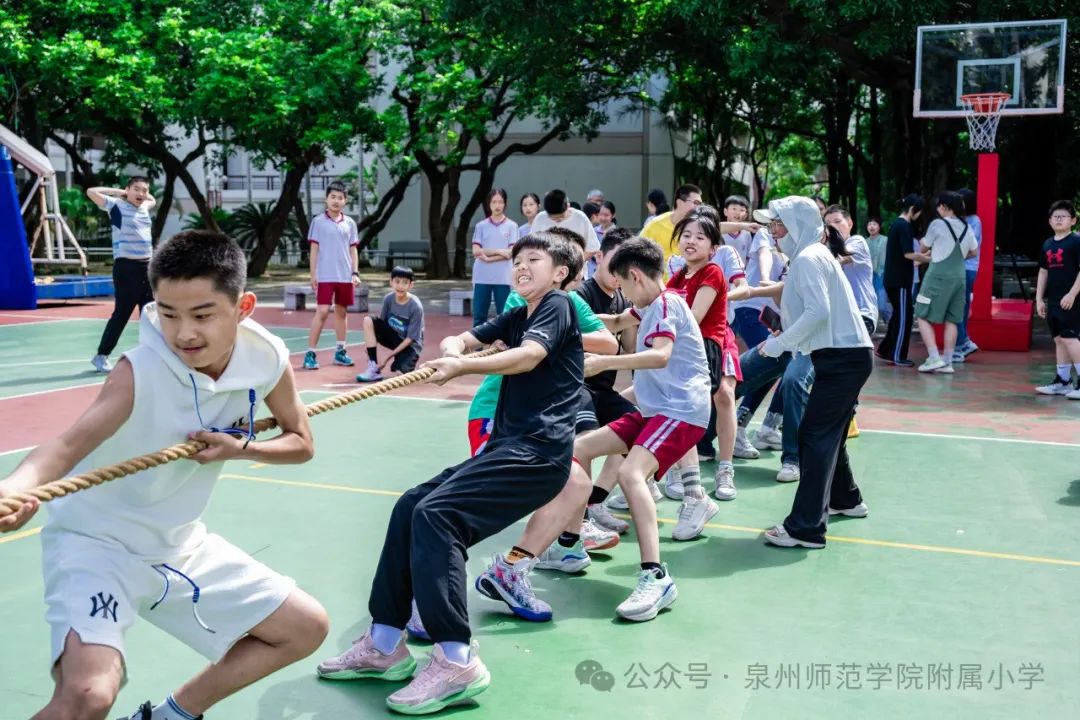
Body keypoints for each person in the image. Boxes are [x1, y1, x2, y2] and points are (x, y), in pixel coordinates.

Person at [0, 231, 328, 720]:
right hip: (97, 545)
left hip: (181, 547)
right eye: (167, 313)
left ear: (243, 306)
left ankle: (171, 715)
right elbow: (68, 445)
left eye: (202, 315)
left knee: (306, 627)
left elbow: (301, 443)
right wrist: (12, 489)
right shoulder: (140, 370)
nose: (183, 333)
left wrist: (242, 450)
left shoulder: (267, 359)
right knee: (88, 696)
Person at [316, 231, 583, 713]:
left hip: (538, 454)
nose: (521, 267)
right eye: (517, 260)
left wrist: (460, 370)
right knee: (411, 505)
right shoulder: (520, 312)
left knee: (438, 516)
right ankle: (384, 643)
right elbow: (469, 334)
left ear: (560, 272)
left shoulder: (558, 306)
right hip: (509, 447)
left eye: (534, 260)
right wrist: (456, 345)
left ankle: (456, 658)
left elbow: (528, 358)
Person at [575, 237, 712, 618]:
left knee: (633, 472)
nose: (621, 295)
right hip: (656, 410)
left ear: (635, 276)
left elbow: (660, 354)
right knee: (582, 447)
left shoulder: (667, 304)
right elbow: (615, 321)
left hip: (680, 412)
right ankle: (570, 540)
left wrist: (604, 364)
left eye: (622, 286)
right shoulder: (646, 305)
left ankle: (655, 576)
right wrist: (565, 317)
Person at [756, 197, 874, 549]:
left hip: (842, 359)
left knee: (814, 436)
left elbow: (817, 313)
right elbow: (816, 312)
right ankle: (846, 499)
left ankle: (805, 528)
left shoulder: (808, 257)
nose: (773, 231)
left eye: (778, 223)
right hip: (844, 356)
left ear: (796, 224)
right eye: (771, 224)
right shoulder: (812, 254)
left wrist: (778, 345)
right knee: (828, 433)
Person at [664, 209, 742, 503]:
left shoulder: (717, 268)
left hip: (717, 340)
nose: (692, 240)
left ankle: (725, 468)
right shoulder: (678, 275)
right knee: (678, 404)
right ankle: (676, 467)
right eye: (686, 235)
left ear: (713, 244)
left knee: (723, 394)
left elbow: (693, 318)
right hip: (689, 346)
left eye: (700, 236)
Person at [87, 177, 156, 374]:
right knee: (122, 314)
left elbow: (153, 199)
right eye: (136, 189)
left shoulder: (144, 207)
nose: (141, 194)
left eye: (144, 190)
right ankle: (101, 356)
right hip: (127, 267)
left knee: (149, 313)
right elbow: (91, 191)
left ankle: (150, 355)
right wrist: (120, 193)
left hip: (147, 267)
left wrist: (139, 193)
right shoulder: (116, 205)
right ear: (127, 190)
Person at [914, 192, 978, 374]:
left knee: (921, 312)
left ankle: (934, 357)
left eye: (938, 206)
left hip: (937, 276)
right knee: (953, 319)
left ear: (944, 206)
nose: (937, 209)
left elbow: (924, 246)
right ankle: (948, 362)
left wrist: (933, 249)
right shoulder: (967, 227)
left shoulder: (937, 224)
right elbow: (974, 252)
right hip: (959, 277)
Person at [303, 181, 360, 370]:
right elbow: (314, 250)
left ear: (345, 200)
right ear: (326, 199)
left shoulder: (350, 223)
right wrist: (313, 275)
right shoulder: (318, 222)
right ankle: (310, 353)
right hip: (325, 276)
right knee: (322, 312)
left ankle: (340, 352)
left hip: (344, 276)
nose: (336, 201)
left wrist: (355, 272)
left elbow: (353, 250)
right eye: (333, 197)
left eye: (340, 197)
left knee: (341, 313)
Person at [1034, 200, 1080, 398]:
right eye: (1055, 216)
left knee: (1071, 339)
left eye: (1063, 216)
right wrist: (1038, 299)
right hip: (1053, 300)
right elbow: (1043, 272)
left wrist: (1072, 293)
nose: (1059, 219)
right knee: (1059, 340)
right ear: (1050, 221)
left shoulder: (1077, 241)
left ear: (1073, 221)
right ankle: (1063, 381)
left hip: (1072, 299)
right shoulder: (1047, 244)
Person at [876, 194, 928, 367]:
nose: (919, 216)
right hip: (900, 281)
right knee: (905, 318)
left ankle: (885, 349)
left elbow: (906, 256)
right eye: (919, 212)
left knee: (898, 316)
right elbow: (908, 254)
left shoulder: (896, 225)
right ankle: (898, 355)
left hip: (894, 280)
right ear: (913, 209)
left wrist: (924, 257)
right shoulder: (904, 226)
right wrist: (931, 259)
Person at [356, 266, 425, 382]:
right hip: (395, 338)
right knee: (368, 320)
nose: (400, 286)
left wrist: (388, 357)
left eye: (405, 283)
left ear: (411, 285)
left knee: (399, 376)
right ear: (391, 282)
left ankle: (406, 364)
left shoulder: (415, 306)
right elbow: (380, 325)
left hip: (410, 346)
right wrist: (369, 350)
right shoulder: (388, 299)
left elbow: (410, 339)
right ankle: (373, 367)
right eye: (397, 282)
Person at [471, 188, 517, 326]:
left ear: (505, 204)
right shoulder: (481, 226)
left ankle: (502, 346)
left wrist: (489, 258)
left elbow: (510, 253)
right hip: (482, 276)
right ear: (488, 204)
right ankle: (476, 347)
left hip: (503, 277)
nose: (497, 205)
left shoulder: (512, 226)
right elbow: (476, 250)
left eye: (500, 202)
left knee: (503, 316)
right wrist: (499, 251)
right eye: (494, 202)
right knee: (479, 316)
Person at [638, 184, 702, 274]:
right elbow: (637, 252)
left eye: (700, 204)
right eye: (695, 203)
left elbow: (716, 227)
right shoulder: (656, 225)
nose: (698, 208)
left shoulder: (698, 225)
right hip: (660, 284)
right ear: (680, 203)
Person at [953, 188, 982, 362]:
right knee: (960, 307)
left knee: (958, 307)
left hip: (967, 268)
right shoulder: (957, 220)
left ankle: (963, 342)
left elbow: (969, 246)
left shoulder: (974, 221)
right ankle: (961, 345)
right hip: (957, 268)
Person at [530, 189, 600, 252]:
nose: (557, 220)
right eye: (553, 218)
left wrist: (575, 263)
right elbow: (531, 246)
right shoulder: (540, 218)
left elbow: (593, 248)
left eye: (561, 217)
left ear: (568, 206)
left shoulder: (580, 218)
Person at [866, 217, 889, 325]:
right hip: (869, 276)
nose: (871, 226)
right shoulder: (864, 242)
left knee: (882, 305)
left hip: (882, 275)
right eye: (869, 224)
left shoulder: (886, 240)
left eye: (874, 224)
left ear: (879, 227)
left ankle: (892, 320)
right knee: (870, 304)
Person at [721, 195, 753, 263]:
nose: (738, 213)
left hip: (740, 272)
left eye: (742, 210)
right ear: (725, 211)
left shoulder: (746, 233)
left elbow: (749, 256)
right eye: (734, 209)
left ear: (746, 215)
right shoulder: (719, 231)